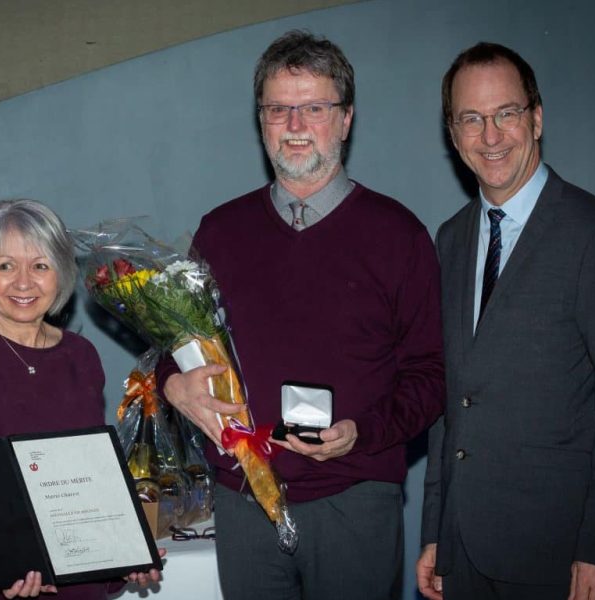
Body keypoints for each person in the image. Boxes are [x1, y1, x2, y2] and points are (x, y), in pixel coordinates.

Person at [157, 30, 444, 599]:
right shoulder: (220, 232)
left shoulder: (399, 235)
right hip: (243, 498)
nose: (294, 125)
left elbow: (432, 375)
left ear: (345, 119)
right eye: (278, 109)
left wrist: (363, 434)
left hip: (356, 496)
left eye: (313, 108)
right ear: (260, 119)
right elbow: (178, 346)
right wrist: (174, 387)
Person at [417, 42, 595, 600]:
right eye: (471, 119)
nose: (491, 136)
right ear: (453, 135)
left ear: (537, 118)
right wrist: (436, 532)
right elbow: (449, 404)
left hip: (561, 557)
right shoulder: (450, 240)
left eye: (507, 113)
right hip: (465, 552)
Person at [0, 199, 161, 599]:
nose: (23, 282)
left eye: (40, 265)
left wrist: (126, 551)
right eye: (5, 266)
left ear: (61, 274)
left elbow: (92, 475)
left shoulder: (79, 356)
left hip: (78, 583)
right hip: (7, 584)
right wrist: (0, 565)